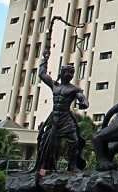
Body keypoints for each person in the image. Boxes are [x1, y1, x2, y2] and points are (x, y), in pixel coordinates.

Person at [33, 17, 89, 174]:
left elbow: (82, 98)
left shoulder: (73, 89)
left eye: (72, 72)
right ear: (62, 73)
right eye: (68, 72)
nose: (70, 74)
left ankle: (73, 165)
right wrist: (45, 57)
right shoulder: (55, 85)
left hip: (66, 119)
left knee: (74, 141)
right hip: (54, 118)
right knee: (47, 143)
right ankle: (45, 168)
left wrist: (84, 103)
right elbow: (42, 73)